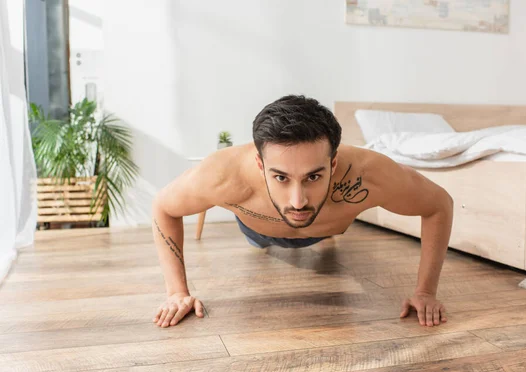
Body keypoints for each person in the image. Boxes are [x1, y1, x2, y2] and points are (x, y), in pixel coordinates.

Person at [152, 95, 453, 329]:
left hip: (327, 228)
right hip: (258, 231)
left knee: (322, 236)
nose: (297, 201)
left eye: (313, 176)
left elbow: (439, 204)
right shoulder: (224, 174)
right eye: (281, 177)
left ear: (333, 165)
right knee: (260, 242)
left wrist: (426, 292)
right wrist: (177, 292)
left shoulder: (370, 172)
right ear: (261, 166)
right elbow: (164, 207)